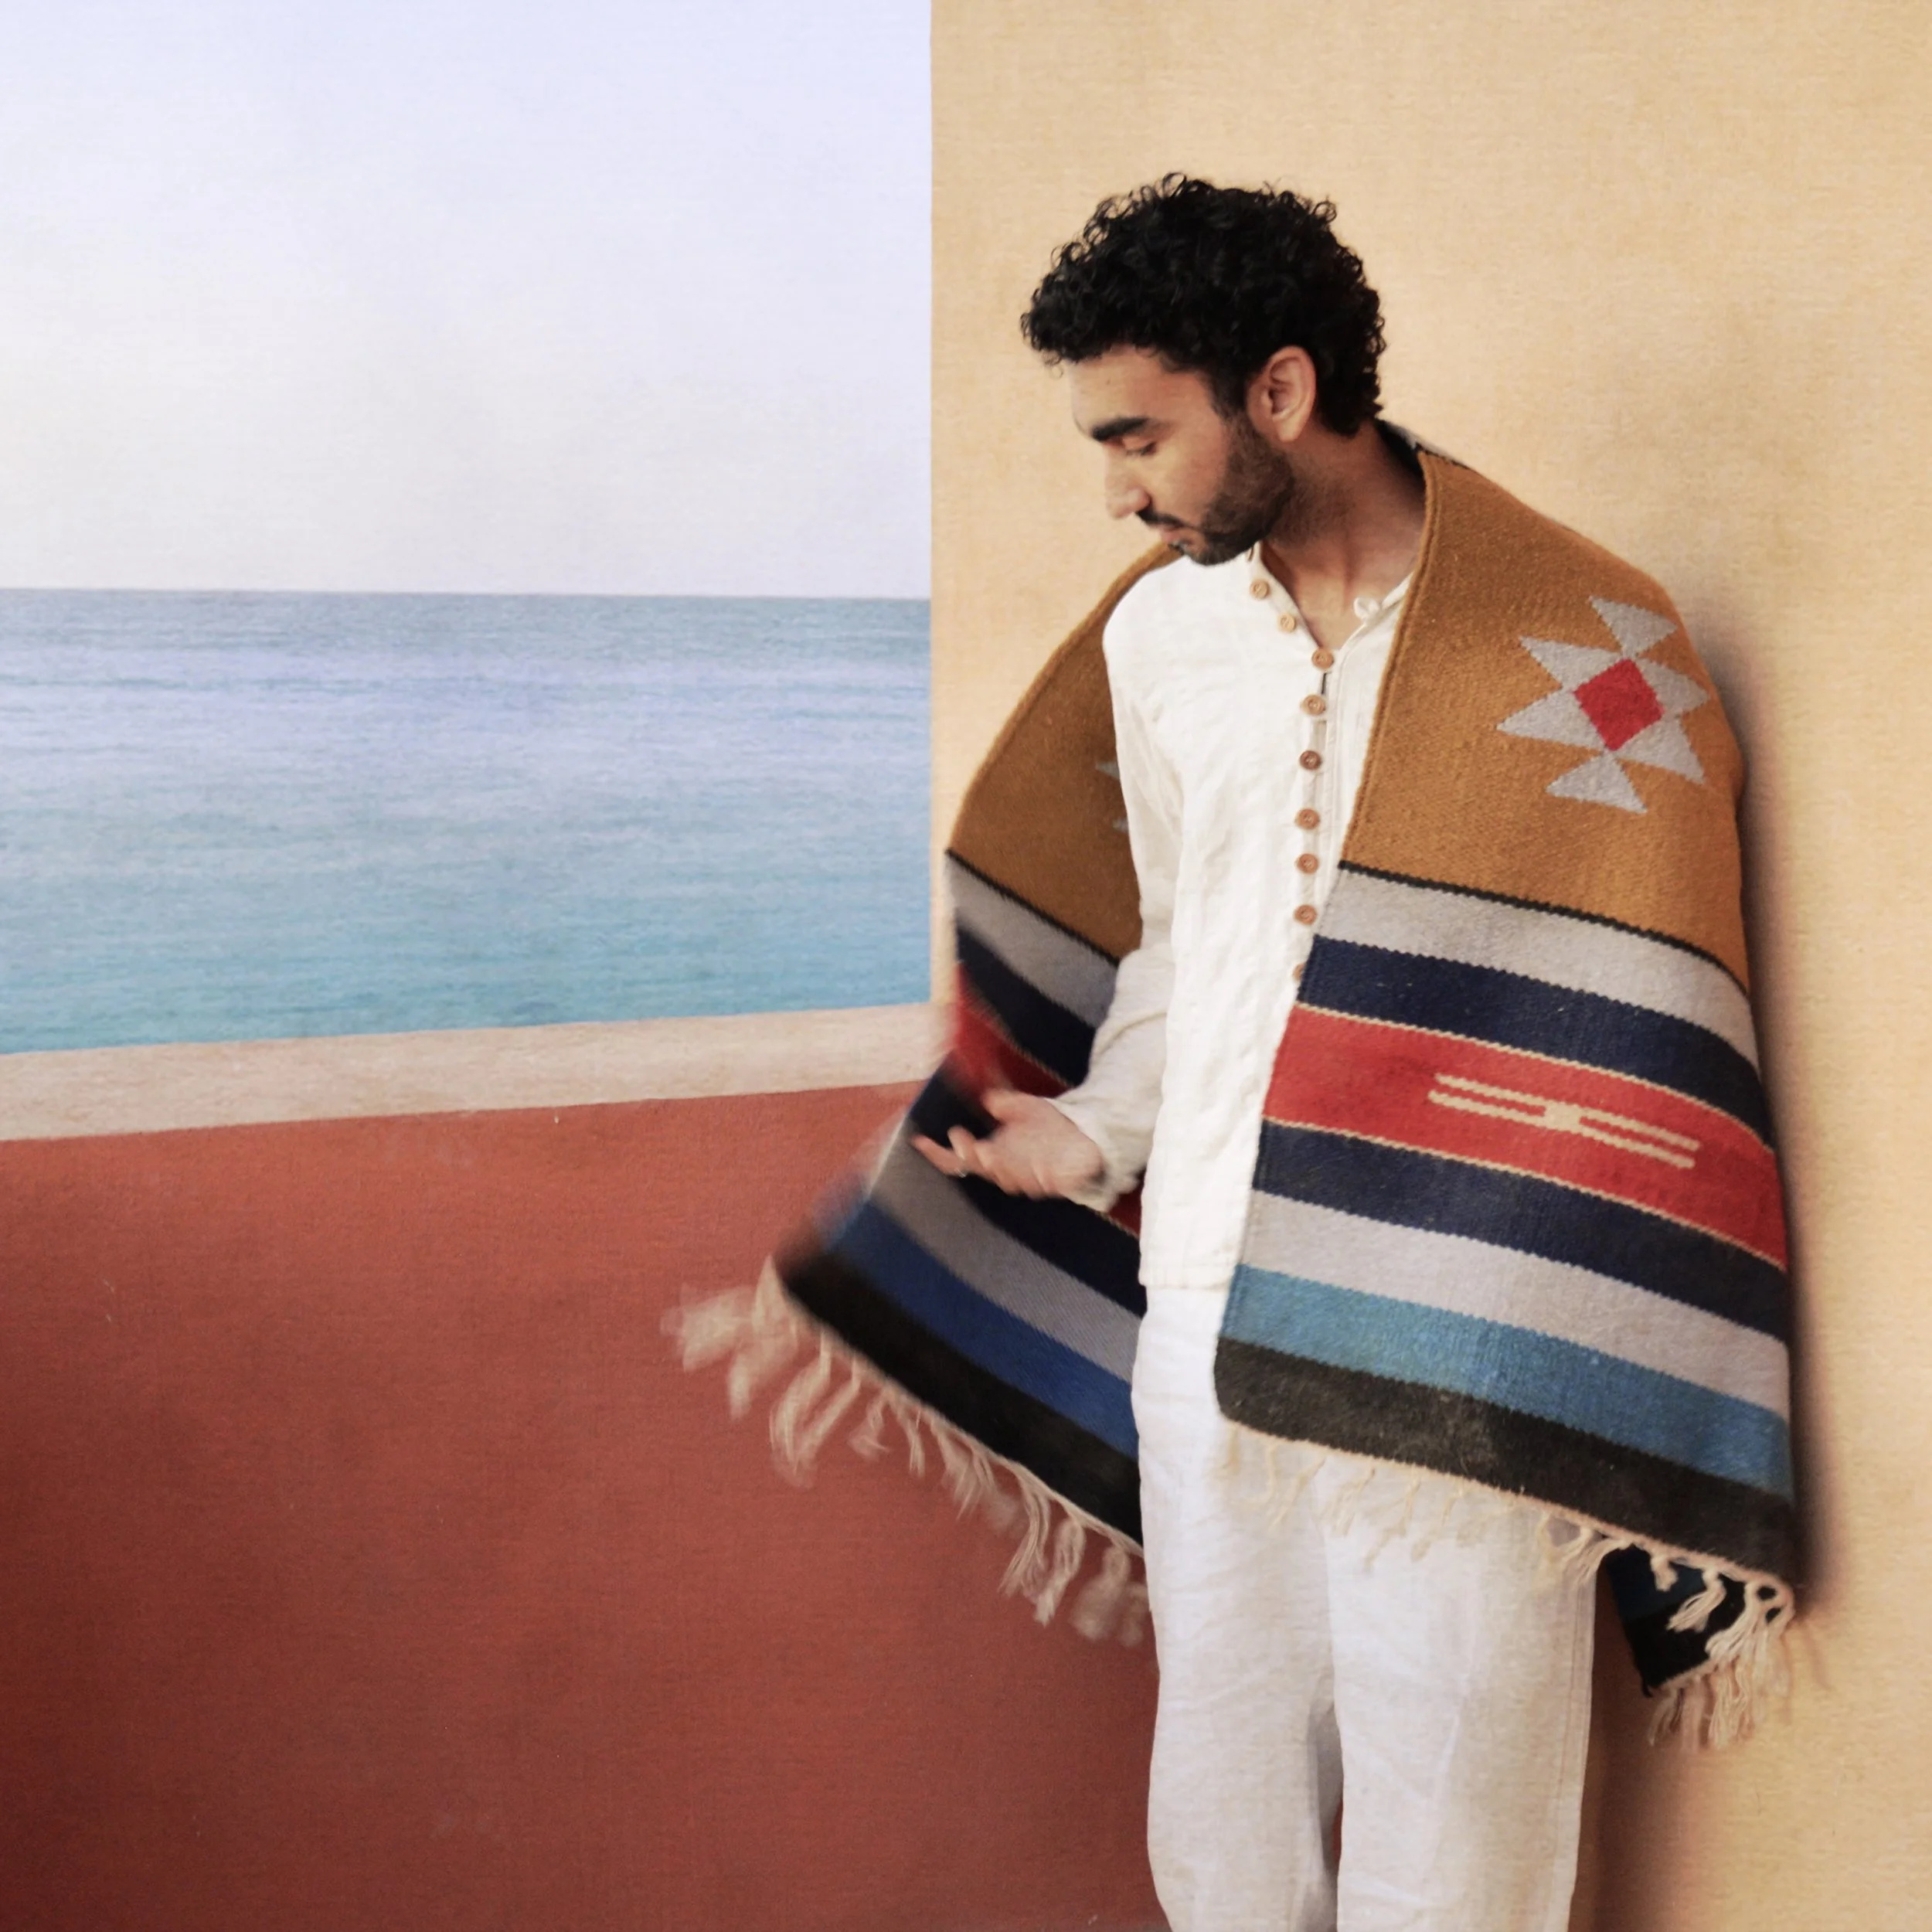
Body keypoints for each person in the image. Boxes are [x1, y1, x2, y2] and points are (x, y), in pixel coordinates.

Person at [914, 176, 1606, 1932]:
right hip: (1212, 1290)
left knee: (1460, 1792)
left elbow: (1627, 989)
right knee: (1226, 1788)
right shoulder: (1160, 635)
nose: (1117, 488)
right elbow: (1179, 924)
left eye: (1139, 432)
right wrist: (1094, 1132)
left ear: (1279, 393)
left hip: (1456, 1305)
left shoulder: (1565, 642)